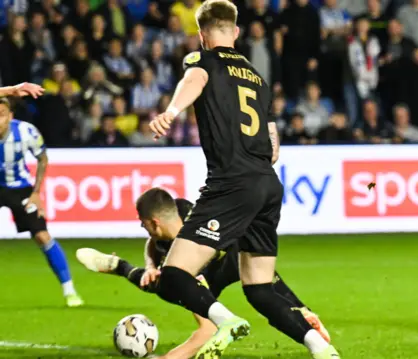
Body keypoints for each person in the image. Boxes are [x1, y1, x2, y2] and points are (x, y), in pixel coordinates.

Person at [148, 1, 339, 358]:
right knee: (260, 287)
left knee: (173, 275)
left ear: (202, 35)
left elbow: (195, 79)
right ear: (235, 32)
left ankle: (224, 320)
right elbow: (274, 144)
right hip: (268, 184)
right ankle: (320, 348)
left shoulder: (201, 60)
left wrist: (172, 111)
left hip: (231, 183)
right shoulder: (258, 77)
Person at [75, 188, 330, 359]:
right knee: (161, 283)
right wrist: (151, 267)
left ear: (154, 222)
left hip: (230, 257)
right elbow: (154, 243)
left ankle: (303, 313)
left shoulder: (193, 214)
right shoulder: (167, 229)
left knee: (263, 284)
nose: (144, 228)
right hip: (199, 271)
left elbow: (205, 333)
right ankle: (119, 266)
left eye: (144, 224)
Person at [0, 95, 83, 308]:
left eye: (1, 115)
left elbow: (42, 158)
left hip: (20, 189)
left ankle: (69, 290)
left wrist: (37, 193)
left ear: (10, 116)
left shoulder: (26, 132)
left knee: (42, 236)